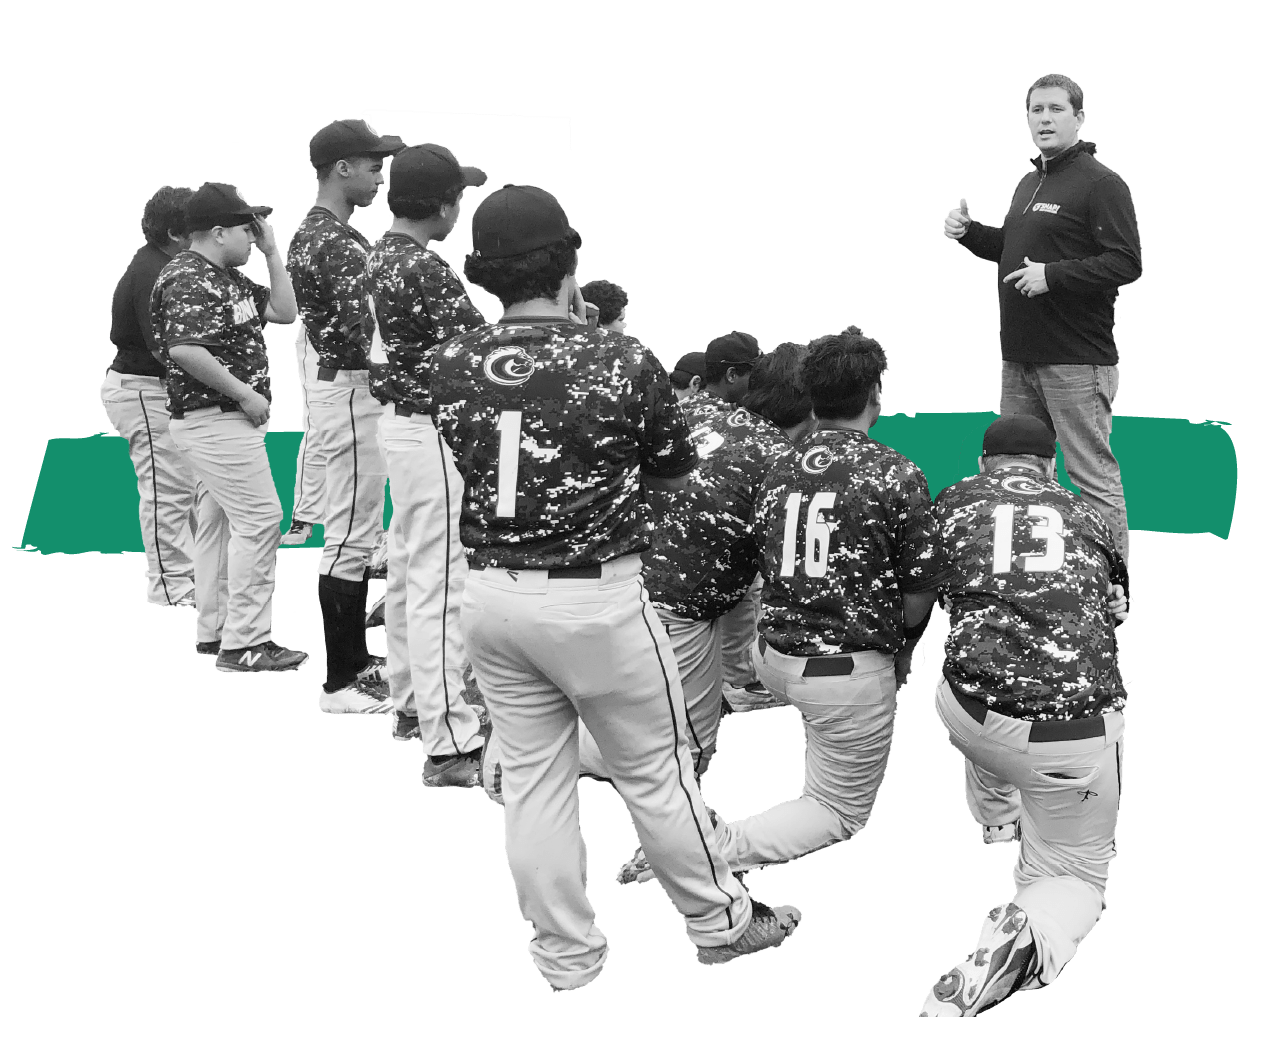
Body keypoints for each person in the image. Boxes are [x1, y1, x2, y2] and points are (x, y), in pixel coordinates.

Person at [430, 183, 801, 993]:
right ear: (568, 264)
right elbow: (673, 479)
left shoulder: (451, 358)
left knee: (532, 782)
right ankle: (719, 923)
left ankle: (566, 957)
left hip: (491, 597)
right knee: (656, 773)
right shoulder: (619, 357)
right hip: (596, 597)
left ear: (482, 273)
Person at [703, 329, 948, 874]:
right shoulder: (894, 472)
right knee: (837, 810)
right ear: (876, 394)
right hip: (842, 672)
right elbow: (920, 590)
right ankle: (704, 853)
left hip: (771, 659)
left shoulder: (776, 464)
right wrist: (905, 648)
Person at [918, 415, 1130, 1017]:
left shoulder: (952, 500)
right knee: (1075, 877)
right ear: (1049, 466)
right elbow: (1117, 606)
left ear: (985, 463)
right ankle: (1029, 932)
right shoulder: (1088, 512)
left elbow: (919, 587)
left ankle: (994, 821)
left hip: (971, 717)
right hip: (1074, 737)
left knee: (982, 667)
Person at [942, 72, 1142, 564]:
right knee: (1014, 474)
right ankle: (1026, 577)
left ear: (1079, 118)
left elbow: (1127, 262)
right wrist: (970, 234)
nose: (1045, 119)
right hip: (1019, 357)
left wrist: (1054, 276)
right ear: (1027, 119)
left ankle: (1111, 587)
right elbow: (1014, 253)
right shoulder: (1030, 181)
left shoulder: (1102, 184)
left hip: (1075, 359)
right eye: (1037, 110)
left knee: (1090, 477)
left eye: (1056, 109)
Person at [363, 143, 489, 777]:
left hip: (400, 428)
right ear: (442, 205)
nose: (460, 206)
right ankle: (448, 741)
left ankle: (412, 704)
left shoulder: (381, 253)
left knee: (412, 574)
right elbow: (478, 351)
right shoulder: (422, 267)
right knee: (443, 585)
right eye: (458, 197)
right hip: (430, 432)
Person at [152, 181, 307, 672]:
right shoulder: (189, 276)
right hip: (214, 420)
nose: (254, 233)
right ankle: (246, 644)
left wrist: (271, 252)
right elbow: (184, 349)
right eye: (246, 227)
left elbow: (285, 312)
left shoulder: (225, 276)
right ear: (218, 233)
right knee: (261, 520)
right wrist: (243, 392)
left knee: (218, 526)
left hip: (223, 422)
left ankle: (215, 631)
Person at [286, 118, 406, 715]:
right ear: (342, 168)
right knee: (349, 538)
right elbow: (374, 332)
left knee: (355, 535)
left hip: (350, 390)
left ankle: (356, 662)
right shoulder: (331, 240)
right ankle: (341, 681)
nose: (379, 177)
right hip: (354, 391)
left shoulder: (323, 232)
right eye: (373, 165)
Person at [101, 185, 199, 608]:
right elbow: (163, 349)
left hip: (155, 389)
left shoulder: (163, 262)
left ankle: (189, 575)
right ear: (178, 233)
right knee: (168, 491)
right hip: (143, 391)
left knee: (188, 488)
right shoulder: (153, 270)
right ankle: (168, 586)